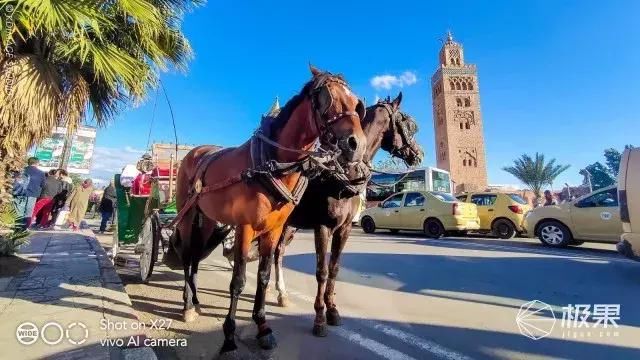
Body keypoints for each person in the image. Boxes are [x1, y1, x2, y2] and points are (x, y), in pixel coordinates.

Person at [16, 157, 46, 229]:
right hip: (32, 194)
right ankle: (24, 228)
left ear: (28, 162)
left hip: (20, 193)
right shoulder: (41, 173)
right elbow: (43, 185)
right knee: (28, 212)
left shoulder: (21, 171)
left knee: (19, 211)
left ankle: (17, 227)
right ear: (37, 163)